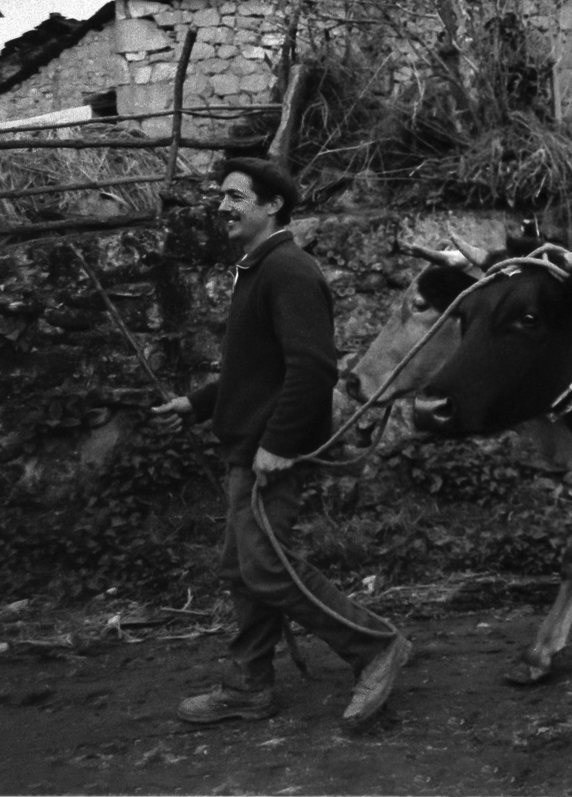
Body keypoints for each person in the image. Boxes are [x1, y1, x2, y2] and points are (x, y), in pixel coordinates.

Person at [153, 157, 410, 730]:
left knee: (265, 567)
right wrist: (196, 404)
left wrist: (278, 443)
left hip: (269, 453)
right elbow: (255, 369)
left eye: (235, 197)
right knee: (242, 568)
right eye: (221, 196)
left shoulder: (288, 269)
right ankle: (249, 686)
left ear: (272, 206)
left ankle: (375, 645)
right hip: (248, 448)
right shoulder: (259, 268)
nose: (222, 206)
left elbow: (313, 368)